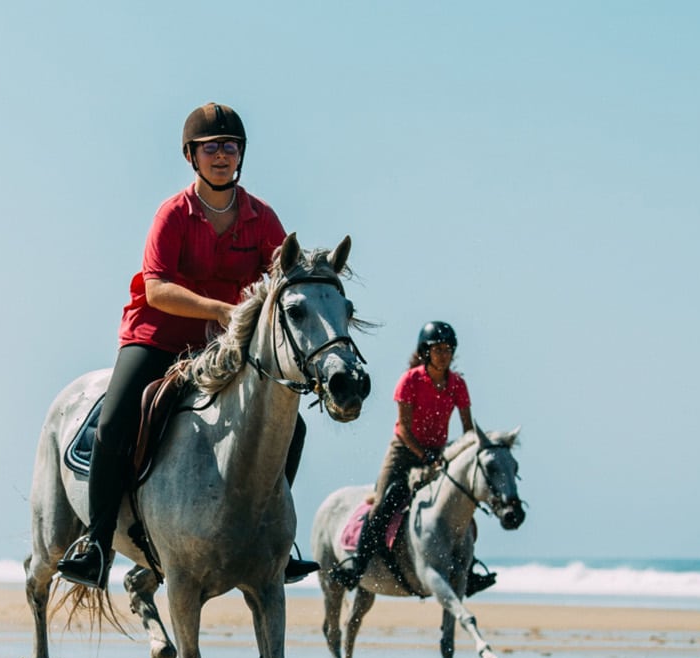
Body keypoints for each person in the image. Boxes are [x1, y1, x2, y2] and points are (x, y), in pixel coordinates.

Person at [56, 102, 320, 589]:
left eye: (230, 146)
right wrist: (220, 311)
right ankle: (95, 543)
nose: (222, 155)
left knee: (293, 427)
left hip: (224, 348)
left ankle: (272, 539)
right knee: (115, 422)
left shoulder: (263, 219)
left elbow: (286, 277)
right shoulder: (173, 214)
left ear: (241, 154)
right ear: (191, 157)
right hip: (157, 338)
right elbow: (156, 289)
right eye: (211, 148)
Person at [331, 321, 473, 590]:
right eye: (438, 349)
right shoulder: (410, 381)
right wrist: (424, 455)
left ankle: (468, 569)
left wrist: (463, 454)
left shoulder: (458, 385)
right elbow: (405, 429)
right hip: (404, 451)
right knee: (382, 505)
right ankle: (356, 567)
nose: (444, 355)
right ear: (425, 351)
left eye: (448, 349)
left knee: (461, 503)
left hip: (439, 452)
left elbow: (468, 430)